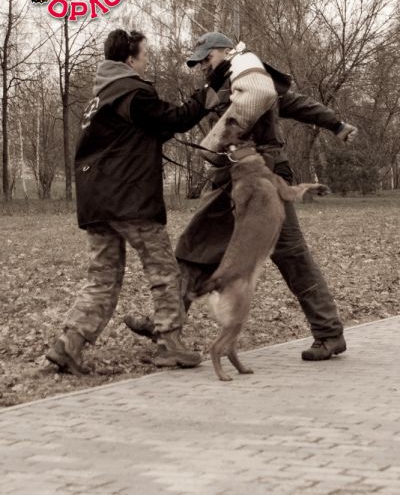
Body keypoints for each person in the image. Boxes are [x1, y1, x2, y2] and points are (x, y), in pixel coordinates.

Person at [125, 32, 358, 362]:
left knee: (290, 253)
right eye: (199, 62)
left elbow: (298, 103)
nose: (203, 65)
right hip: (228, 178)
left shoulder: (253, 81)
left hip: (264, 175)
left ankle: (329, 332)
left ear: (225, 50)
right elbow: (182, 117)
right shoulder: (212, 89)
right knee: (193, 248)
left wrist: (336, 125)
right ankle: (166, 326)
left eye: (207, 58)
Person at [46, 28, 230, 375]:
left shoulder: (100, 98)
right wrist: (209, 88)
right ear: (130, 59)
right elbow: (176, 119)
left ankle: (69, 344)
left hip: (96, 203)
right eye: (145, 56)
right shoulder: (133, 91)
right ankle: (169, 344)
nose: (147, 62)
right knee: (164, 271)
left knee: (102, 277)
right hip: (130, 200)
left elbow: (142, 133)